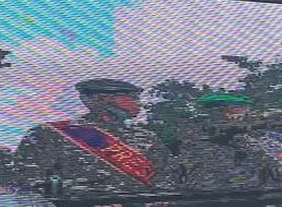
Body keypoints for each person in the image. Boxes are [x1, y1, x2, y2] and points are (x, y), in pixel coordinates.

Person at [13, 79, 174, 194]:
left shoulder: (146, 136)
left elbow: (168, 177)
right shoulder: (50, 134)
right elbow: (29, 181)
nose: (138, 103)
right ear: (102, 99)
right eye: (131, 98)